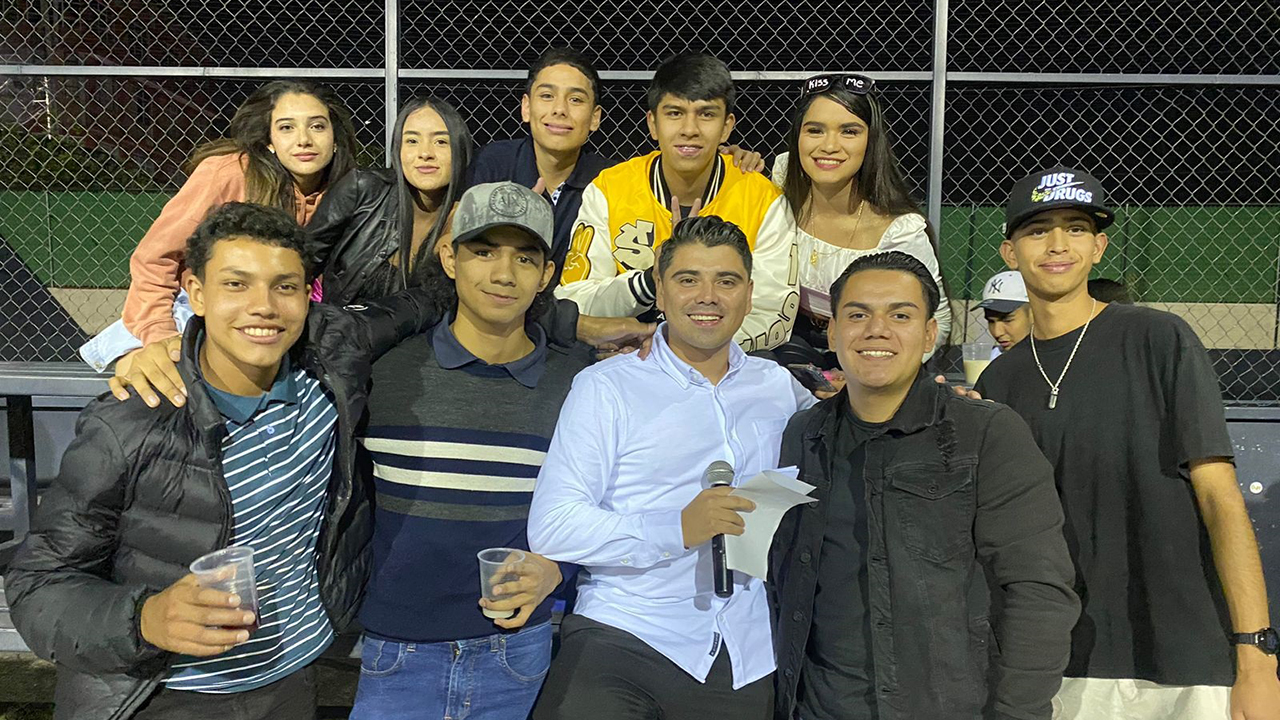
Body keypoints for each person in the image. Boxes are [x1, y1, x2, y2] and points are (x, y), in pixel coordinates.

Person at [5, 202, 439, 720]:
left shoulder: (331, 356)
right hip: (163, 693)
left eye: (285, 286)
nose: (264, 307)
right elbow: (39, 582)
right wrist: (145, 618)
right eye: (236, 284)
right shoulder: (133, 421)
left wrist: (460, 261)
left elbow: (417, 306)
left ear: (307, 295)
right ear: (196, 293)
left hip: (291, 678)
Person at [975, 167, 1280, 720]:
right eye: (1038, 230)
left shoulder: (1158, 338)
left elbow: (1220, 497)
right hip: (1058, 663)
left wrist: (1256, 655)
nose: (1058, 244)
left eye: (1075, 228)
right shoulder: (999, 382)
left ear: (1098, 247)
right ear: (1010, 253)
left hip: (1183, 657)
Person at [770, 250, 1079, 720]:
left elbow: (1038, 590)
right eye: (857, 315)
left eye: (900, 315)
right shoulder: (803, 435)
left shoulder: (985, 434)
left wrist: (1019, 712)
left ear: (930, 334)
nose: (877, 330)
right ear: (832, 332)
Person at [528, 216, 815, 720]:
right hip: (626, 634)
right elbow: (554, 525)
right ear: (660, 291)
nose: (708, 296)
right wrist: (676, 528)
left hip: (745, 649)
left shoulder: (780, 388)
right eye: (688, 279)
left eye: (726, 281)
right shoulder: (607, 386)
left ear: (749, 295)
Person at [349, 182, 593, 719]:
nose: (504, 274)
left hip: (517, 648)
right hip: (396, 646)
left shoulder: (577, 385)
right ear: (449, 257)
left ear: (547, 275)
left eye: (525, 258)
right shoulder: (385, 373)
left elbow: (603, 500)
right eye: (483, 252)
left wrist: (560, 567)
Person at [81, 80, 359, 374]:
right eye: (287, 127)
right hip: (197, 311)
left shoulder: (350, 191)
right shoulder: (228, 173)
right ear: (269, 140)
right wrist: (161, 334)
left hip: (281, 316)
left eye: (317, 126)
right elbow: (155, 258)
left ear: (335, 138)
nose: (304, 140)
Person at [555, 52, 799, 353]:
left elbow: (774, 318)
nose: (689, 129)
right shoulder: (610, 189)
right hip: (626, 355)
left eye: (706, 114)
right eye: (674, 113)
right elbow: (573, 301)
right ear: (653, 123)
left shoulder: (762, 198)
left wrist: (673, 348)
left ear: (726, 126)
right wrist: (648, 281)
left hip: (720, 360)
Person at [468, 47, 765, 284]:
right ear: (526, 107)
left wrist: (721, 155)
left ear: (595, 118)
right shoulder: (491, 164)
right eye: (547, 96)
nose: (559, 109)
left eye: (576, 99)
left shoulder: (607, 180)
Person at [770, 73, 950, 366]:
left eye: (849, 132)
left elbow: (938, 319)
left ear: (871, 140)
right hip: (782, 343)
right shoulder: (779, 182)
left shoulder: (899, 232)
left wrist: (883, 373)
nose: (829, 146)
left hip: (863, 352)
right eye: (815, 130)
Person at [306, 95, 471, 309]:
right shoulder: (363, 189)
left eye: (441, 141)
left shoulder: (471, 219)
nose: (425, 153)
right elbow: (302, 262)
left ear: (461, 150)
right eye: (412, 141)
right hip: (342, 327)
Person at [979, 269, 1031, 355]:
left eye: (1007, 320)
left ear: (1035, 315)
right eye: (991, 321)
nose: (997, 333)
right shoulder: (993, 359)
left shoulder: (1053, 359)